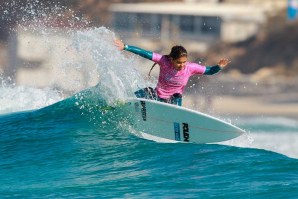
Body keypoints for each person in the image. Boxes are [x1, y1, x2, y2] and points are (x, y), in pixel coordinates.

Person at [114, 39, 230, 106]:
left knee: (177, 95)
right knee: (142, 92)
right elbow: (145, 53)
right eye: (179, 62)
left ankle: (177, 115)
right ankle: (122, 105)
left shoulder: (190, 68)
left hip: (173, 101)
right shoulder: (164, 61)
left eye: (184, 62)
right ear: (172, 59)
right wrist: (125, 46)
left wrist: (218, 67)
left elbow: (209, 71)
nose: (182, 65)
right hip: (157, 96)